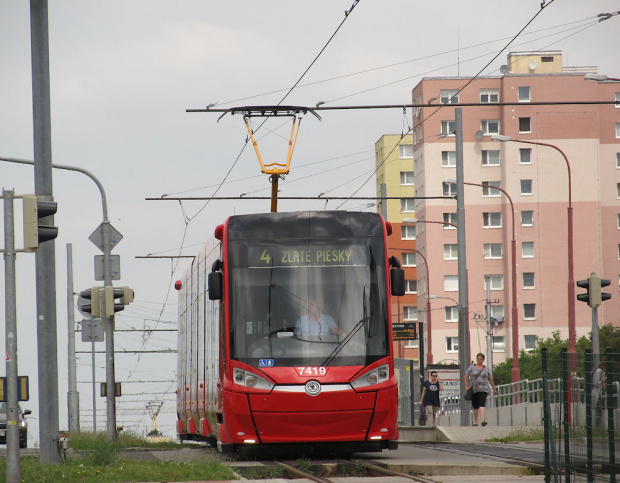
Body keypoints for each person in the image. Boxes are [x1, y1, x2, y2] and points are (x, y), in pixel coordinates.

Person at [465, 353, 497, 427]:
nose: (479, 360)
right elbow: (466, 376)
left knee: (482, 404)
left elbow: (490, 379)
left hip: (484, 388)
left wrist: (494, 388)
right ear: (476, 359)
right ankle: (475, 422)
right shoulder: (471, 367)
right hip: (474, 389)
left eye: (481, 359)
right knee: (475, 406)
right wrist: (466, 386)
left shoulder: (486, 369)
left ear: (483, 360)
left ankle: (483, 420)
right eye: (478, 359)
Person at [592, 361, 607, 428]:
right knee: (599, 411)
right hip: (596, 393)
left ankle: (597, 426)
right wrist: (603, 380)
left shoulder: (602, 372)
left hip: (599, 393)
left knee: (599, 411)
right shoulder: (598, 371)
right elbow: (596, 383)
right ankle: (596, 426)